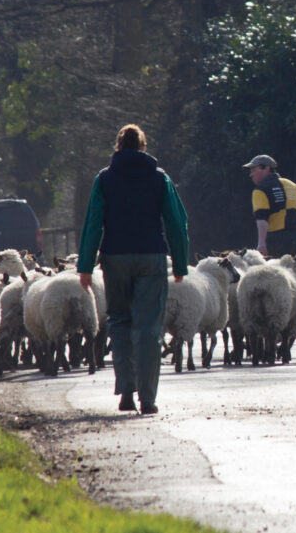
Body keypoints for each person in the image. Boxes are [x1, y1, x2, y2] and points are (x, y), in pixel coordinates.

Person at [77, 124, 189, 415]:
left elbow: (93, 223)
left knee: (120, 322)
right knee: (149, 327)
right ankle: (148, 398)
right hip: (151, 257)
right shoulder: (159, 178)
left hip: (115, 258)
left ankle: (126, 389)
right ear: (143, 147)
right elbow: (176, 223)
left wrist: (85, 266)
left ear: (117, 148)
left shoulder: (104, 179)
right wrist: (179, 262)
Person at [242, 154, 296, 258]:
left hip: (276, 240)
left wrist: (261, 243)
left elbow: (262, 218)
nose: (251, 174)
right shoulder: (293, 186)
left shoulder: (260, 190)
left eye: (253, 170)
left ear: (267, 168)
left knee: (276, 273)